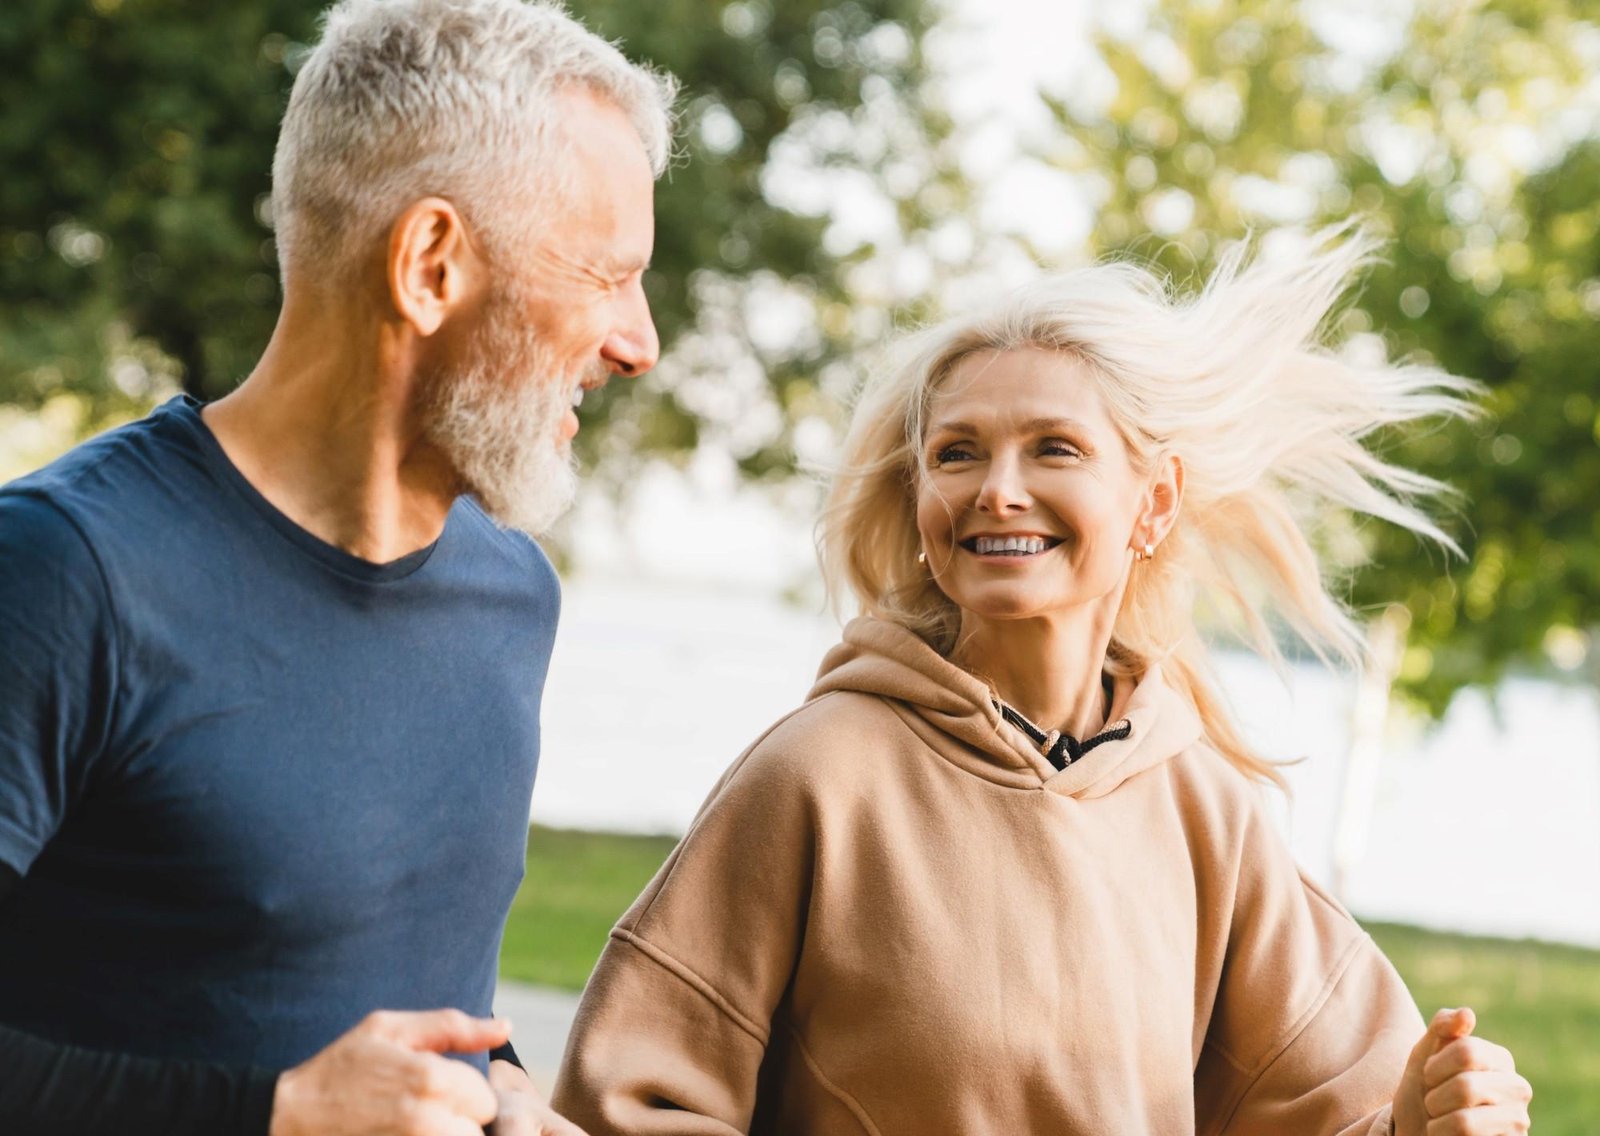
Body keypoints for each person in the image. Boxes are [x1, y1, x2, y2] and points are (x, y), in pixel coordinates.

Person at [551, 233, 1535, 1135]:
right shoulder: (816, 775)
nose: (997, 489)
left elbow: (1334, 1108)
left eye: (1053, 448)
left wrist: (1419, 1119)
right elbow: (626, 1104)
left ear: (1153, 502)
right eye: (957, 453)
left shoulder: (1205, 809)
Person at [0, 1, 674, 1133]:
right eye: (607, 274)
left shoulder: (511, 595)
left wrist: (502, 1083)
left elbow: (416, 992)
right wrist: (278, 1112)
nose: (639, 342)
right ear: (430, 265)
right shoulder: (61, 571)